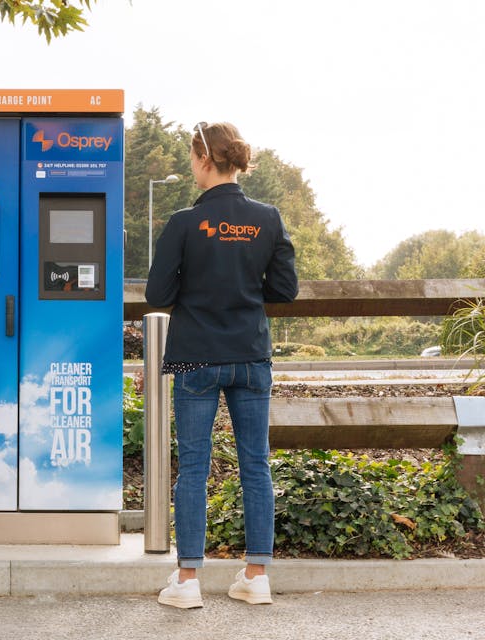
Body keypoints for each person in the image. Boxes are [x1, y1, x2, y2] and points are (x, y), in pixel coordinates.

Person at [145, 122, 298, 608]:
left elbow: (158, 294)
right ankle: (256, 576)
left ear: (206, 161)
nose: (192, 167)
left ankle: (188, 581)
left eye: (192, 159)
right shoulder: (267, 219)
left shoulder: (183, 223)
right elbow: (285, 289)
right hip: (251, 356)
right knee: (256, 463)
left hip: (196, 358)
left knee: (193, 466)